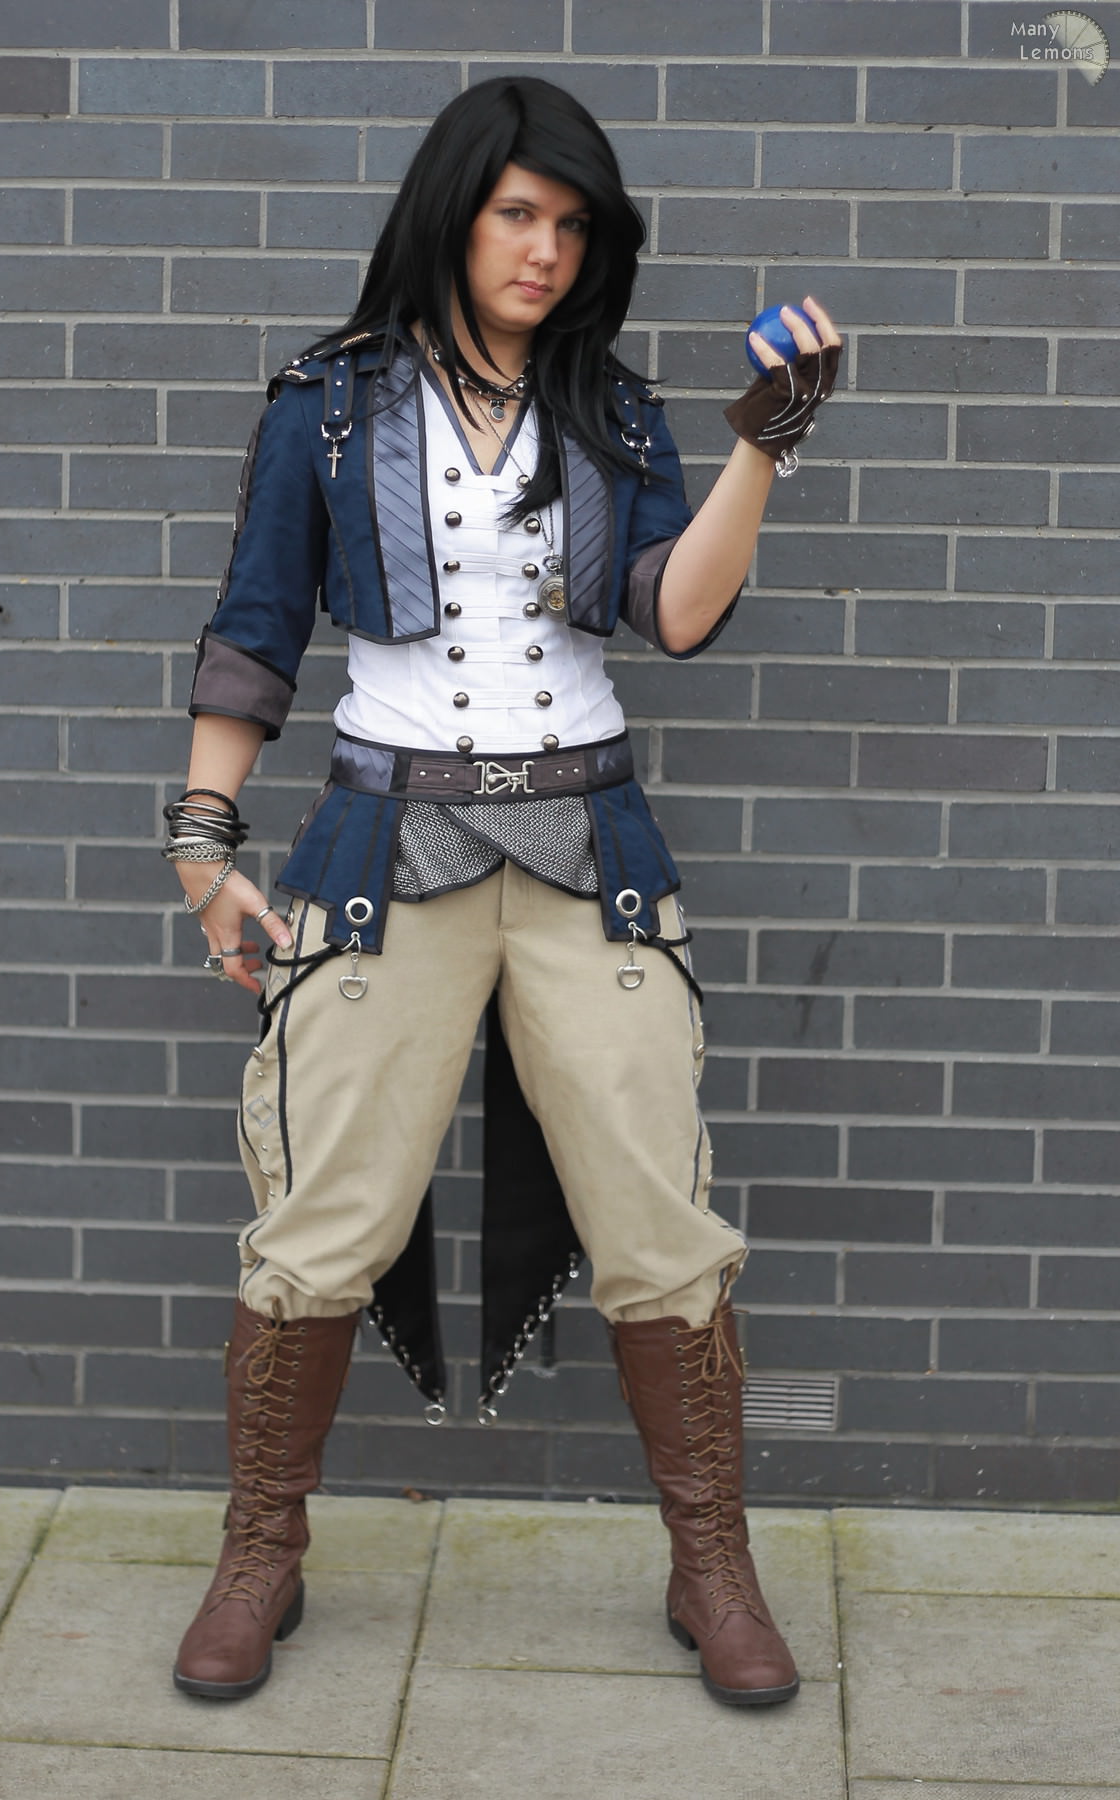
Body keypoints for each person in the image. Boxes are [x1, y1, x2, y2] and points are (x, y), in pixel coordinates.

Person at [166, 76, 842, 1710]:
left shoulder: (615, 412)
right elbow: (256, 631)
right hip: (381, 852)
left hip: (588, 856)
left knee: (660, 1219)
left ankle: (711, 1563)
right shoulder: (327, 405)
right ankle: (261, 1550)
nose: (545, 249)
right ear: (454, 214)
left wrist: (760, 450)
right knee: (321, 1215)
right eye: (517, 214)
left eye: (572, 225)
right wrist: (201, 848)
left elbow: (674, 613)